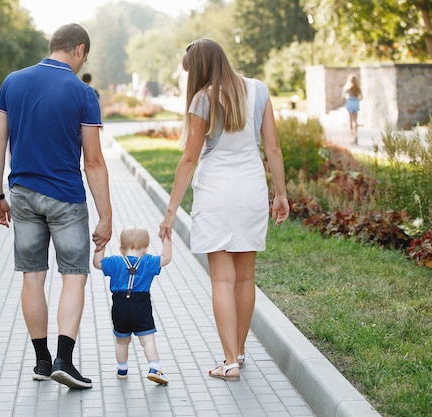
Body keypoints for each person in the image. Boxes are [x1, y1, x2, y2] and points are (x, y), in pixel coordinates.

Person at [158, 39, 290, 382]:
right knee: (246, 278)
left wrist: (171, 210)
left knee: (222, 279)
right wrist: (281, 194)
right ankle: (239, 353)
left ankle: (229, 361)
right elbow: (273, 148)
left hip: (216, 193)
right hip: (250, 190)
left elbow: (189, 159)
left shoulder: (203, 98)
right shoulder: (259, 90)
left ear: (199, 68)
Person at [0, 23, 112, 389]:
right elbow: (93, 160)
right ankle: (64, 360)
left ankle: (42, 362)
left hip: (23, 194)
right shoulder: (83, 92)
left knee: (33, 276)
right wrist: (106, 215)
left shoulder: (13, 82)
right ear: (78, 49)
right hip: (67, 199)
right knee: (73, 276)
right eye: (84, 56)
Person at [92, 226, 171, 385]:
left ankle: (122, 368)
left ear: (121, 249)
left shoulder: (115, 261)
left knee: (121, 341)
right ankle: (154, 368)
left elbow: (97, 263)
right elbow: (166, 258)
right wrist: (167, 239)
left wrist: (101, 245)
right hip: (141, 305)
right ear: (146, 248)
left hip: (120, 306)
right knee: (147, 340)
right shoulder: (149, 261)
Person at [342, 73, 362, 143]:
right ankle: (355, 135)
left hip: (350, 103)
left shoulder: (347, 87)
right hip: (356, 103)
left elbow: (343, 96)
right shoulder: (358, 88)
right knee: (355, 120)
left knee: (350, 120)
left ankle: (351, 135)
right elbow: (361, 97)